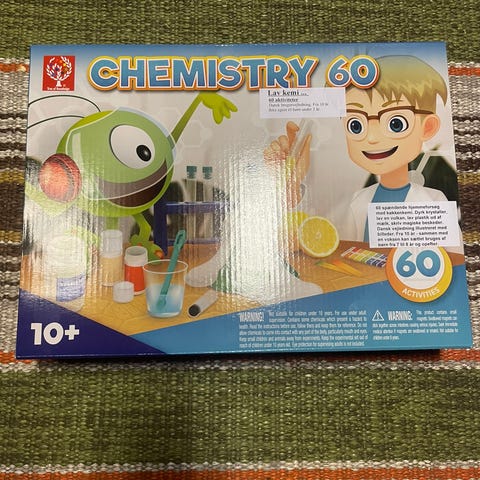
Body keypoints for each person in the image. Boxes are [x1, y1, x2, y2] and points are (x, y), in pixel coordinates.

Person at [264, 55, 452, 242]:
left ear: (427, 127)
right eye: (356, 125)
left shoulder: (434, 201)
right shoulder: (359, 201)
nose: (371, 138)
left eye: (396, 123)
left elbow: (454, 256)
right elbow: (334, 246)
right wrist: (293, 182)